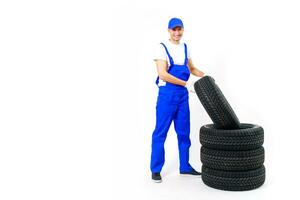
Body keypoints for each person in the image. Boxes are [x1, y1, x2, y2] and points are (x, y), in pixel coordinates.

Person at [151, 18, 205, 183]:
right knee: (160, 133)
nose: (176, 33)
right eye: (173, 30)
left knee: (183, 133)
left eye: (179, 29)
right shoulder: (162, 48)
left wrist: (206, 78)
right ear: (168, 30)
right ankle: (155, 170)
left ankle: (185, 166)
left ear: (183, 30)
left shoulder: (185, 48)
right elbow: (163, 74)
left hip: (182, 97)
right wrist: (186, 83)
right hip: (167, 96)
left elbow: (193, 68)